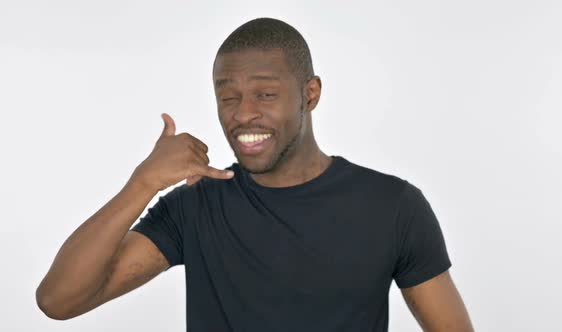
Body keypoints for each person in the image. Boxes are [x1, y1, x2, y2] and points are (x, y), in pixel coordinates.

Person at [36, 17, 474, 332]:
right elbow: (58, 301)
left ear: (311, 93)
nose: (244, 114)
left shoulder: (392, 207)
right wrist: (143, 183)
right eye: (228, 98)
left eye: (266, 94)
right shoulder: (196, 204)